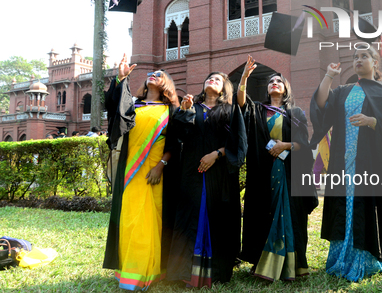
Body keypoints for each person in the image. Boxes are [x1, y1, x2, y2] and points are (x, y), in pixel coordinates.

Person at [309, 46, 382, 282]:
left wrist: (373, 122)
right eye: (355, 57)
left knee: (367, 206)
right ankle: (342, 257)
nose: (358, 60)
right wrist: (329, 76)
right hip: (344, 161)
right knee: (345, 206)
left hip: (371, 163)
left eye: (364, 57)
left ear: (375, 63)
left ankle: (368, 259)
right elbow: (321, 106)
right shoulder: (343, 91)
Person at [103, 55, 180, 291]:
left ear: (166, 84)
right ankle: (129, 271)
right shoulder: (132, 104)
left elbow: (175, 143)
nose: (153, 76)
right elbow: (111, 106)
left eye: (159, 75)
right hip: (130, 170)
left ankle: (151, 270)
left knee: (151, 220)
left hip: (155, 172)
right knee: (129, 218)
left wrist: (161, 165)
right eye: (151, 74)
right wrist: (121, 78)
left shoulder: (171, 110)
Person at [238, 56, 318, 281]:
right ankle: (264, 264)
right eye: (271, 81)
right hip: (264, 173)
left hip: (290, 173)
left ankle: (292, 266)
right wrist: (243, 78)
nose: (274, 83)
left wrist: (286, 145)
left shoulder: (296, 113)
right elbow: (242, 104)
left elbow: (304, 143)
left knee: (289, 214)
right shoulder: (258, 111)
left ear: (285, 90)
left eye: (279, 82)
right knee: (265, 213)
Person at [167, 72, 247, 288]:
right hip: (193, 174)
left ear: (224, 89)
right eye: (209, 78)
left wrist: (217, 154)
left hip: (219, 176)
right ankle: (185, 272)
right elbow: (180, 137)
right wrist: (183, 112)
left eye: (218, 80)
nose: (212, 81)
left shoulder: (231, 111)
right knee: (190, 217)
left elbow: (239, 144)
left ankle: (216, 272)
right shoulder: (194, 108)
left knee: (218, 219)